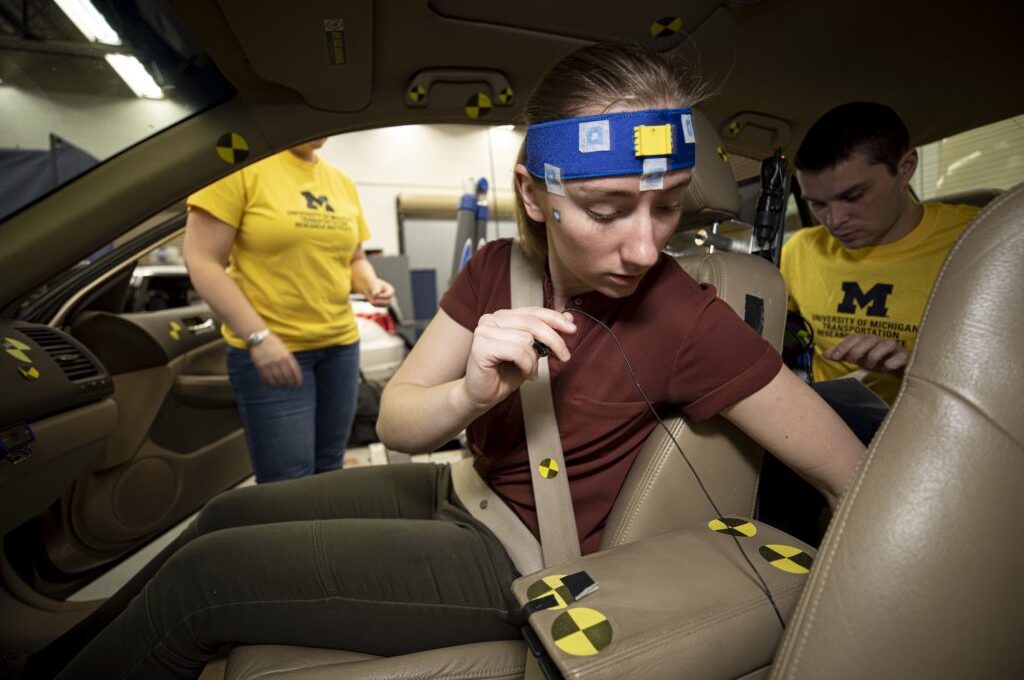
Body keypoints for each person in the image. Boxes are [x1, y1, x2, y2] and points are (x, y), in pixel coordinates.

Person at [26, 43, 863, 680]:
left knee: (205, 579)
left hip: (529, 553)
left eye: (668, 207)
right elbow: (400, 419)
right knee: (220, 520)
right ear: (536, 195)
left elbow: (851, 473)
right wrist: (469, 392)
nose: (644, 246)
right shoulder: (499, 267)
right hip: (461, 490)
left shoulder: (689, 314)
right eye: (608, 211)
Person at [183, 138, 394, 483]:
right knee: (287, 480)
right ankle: (291, 538)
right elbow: (202, 261)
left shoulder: (340, 182)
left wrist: (370, 283)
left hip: (340, 346)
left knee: (329, 467)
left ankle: (321, 537)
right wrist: (259, 338)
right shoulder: (240, 170)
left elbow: (354, 258)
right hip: (274, 348)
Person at [781, 102, 981, 405]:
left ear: (905, 169)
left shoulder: (982, 238)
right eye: (817, 204)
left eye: (853, 196)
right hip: (825, 420)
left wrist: (918, 368)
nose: (834, 220)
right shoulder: (801, 249)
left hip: (938, 421)